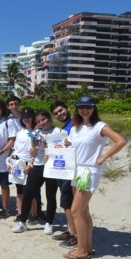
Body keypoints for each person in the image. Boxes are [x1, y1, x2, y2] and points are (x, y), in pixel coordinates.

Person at [63, 96, 126, 259]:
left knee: (76, 211)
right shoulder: (76, 127)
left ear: (93, 108)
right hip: (76, 171)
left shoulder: (99, 126)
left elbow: (120, 141)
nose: (85, 110)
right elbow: (69, 144)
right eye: (81, 107)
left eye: (88, 107)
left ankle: (81, 249)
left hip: (87, 172)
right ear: (77, 109)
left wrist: (103, 157)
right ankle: (88, 247)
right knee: (84, 212)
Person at [13, 110, 61, 234]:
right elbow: (33, 153)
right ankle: (22, 222)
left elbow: (61, 150)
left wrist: (46, 146)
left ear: (49, 119)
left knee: (50, 195)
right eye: (39, 121)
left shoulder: (58, 132)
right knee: (28, 193)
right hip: (38, 165)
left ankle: (49, 223)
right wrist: (34, 145)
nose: (42, 123)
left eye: (43, 120)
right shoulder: (35, 132)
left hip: (52, 166)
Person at [50, 101, 76, 246]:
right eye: (56, 113)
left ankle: (75, 234)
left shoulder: (76, 124)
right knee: (66, 201)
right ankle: (70, 229)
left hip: (73, 169)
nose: (60, 114)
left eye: (61, 110)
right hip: (63, 168)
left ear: (67, 108)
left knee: (72, 203)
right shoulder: (63, 128)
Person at [8, 107, 37, 222]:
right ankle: (20, 214)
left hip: (29, 164)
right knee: (19, 191)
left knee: (30, 192)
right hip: (17, 164)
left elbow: (37, 153)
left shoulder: (36, 132)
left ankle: (34, 214)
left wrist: (30, 164)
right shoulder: (20, 131)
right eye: (24, 117)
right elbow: (15, 149)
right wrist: (10, 161)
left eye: (29, 117)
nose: (26, 119)